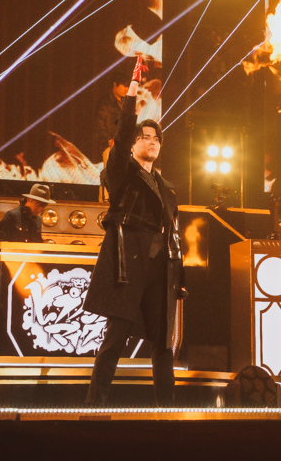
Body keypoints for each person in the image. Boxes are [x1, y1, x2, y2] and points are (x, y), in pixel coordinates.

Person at [84, 57, 186, 406]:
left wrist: (178, 276)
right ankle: (94, 406)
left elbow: (174, 234)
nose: (151, 141)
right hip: (130, 266)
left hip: (160, 270)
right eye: (144, 137)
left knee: (163, 345)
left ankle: (167, 410)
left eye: (156, 138)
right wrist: (132, 88)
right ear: (132, 143)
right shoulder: (122, 173)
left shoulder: (167, 189)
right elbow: (123, 129)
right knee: (115, 340)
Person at [94, 72, 129, 202]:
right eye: (124, 85)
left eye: (128, 86)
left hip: (123, 146)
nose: (126, 89)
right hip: (109, 145)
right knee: (108, 175)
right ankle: (105, 202)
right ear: (115, 84)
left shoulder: (126, 102)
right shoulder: (105, 102)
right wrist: (108, 139)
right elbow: (99, 123)